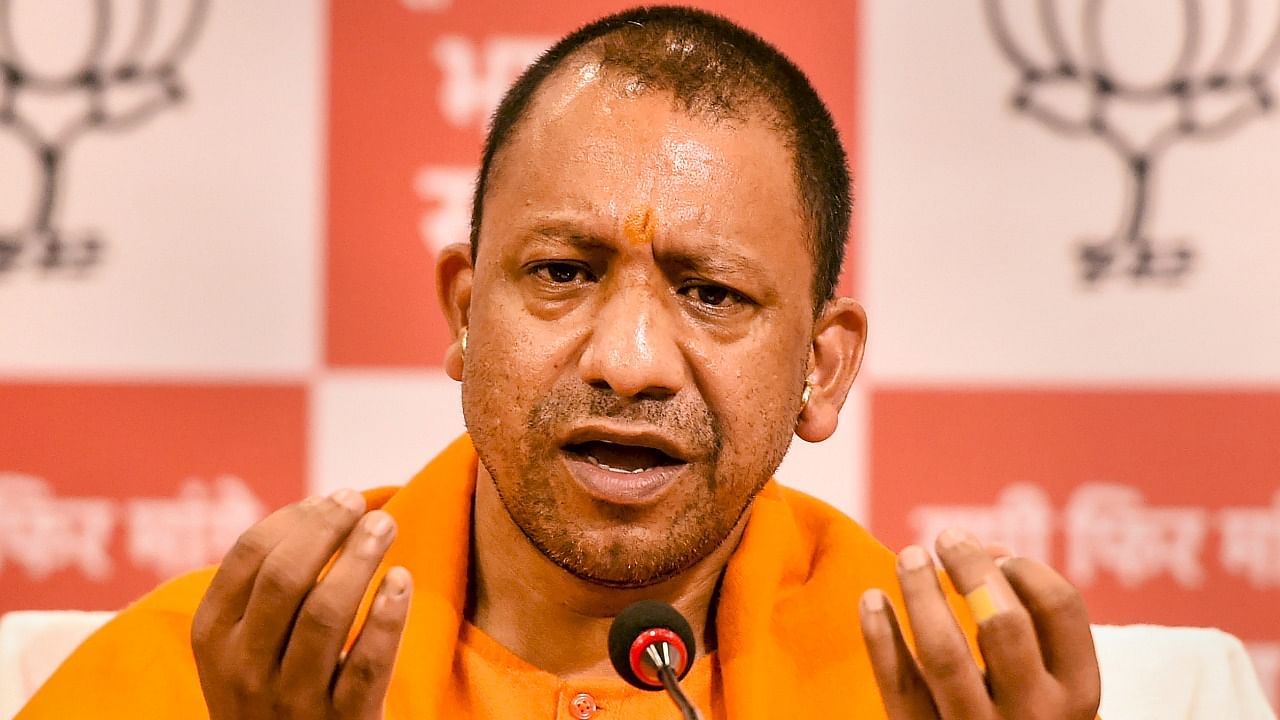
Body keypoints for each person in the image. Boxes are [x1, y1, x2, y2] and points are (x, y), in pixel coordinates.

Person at [19, 6, 1101, 719]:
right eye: (563, 274)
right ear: (462, 309)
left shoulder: (954, 689)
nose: (628, 363)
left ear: (820, 371)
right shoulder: (211, 677)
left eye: (710, 293)